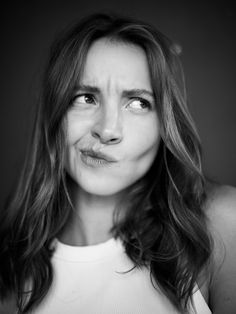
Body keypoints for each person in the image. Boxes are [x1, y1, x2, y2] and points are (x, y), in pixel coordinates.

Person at [0, 12, 236, 314]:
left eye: (138, 103)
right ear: (54, 115)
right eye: (85, 97)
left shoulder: (220, 226)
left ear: (165, 127)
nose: (107, 130)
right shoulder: (11, 270)